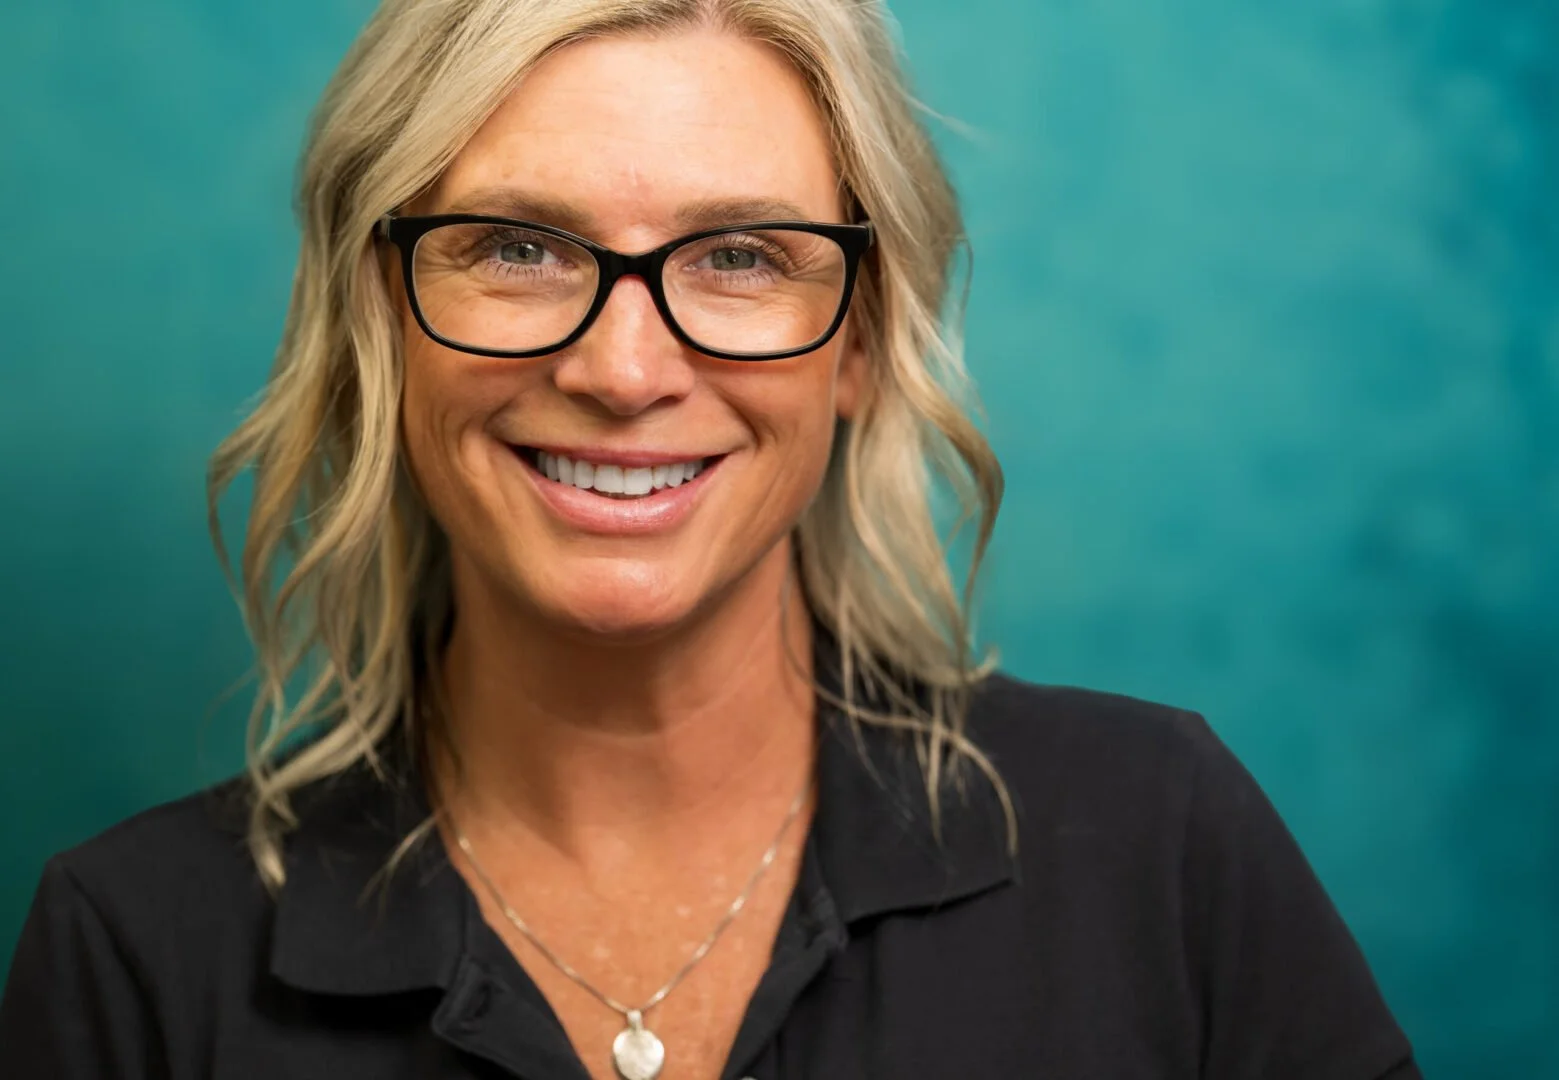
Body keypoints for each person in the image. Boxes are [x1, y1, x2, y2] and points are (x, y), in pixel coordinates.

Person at [0, 1, 1422, 1077]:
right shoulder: (134, 954)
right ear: (377, 323)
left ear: (859, 339)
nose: (625, 370)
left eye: (739, 257)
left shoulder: (1159, 851)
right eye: (514, 245)